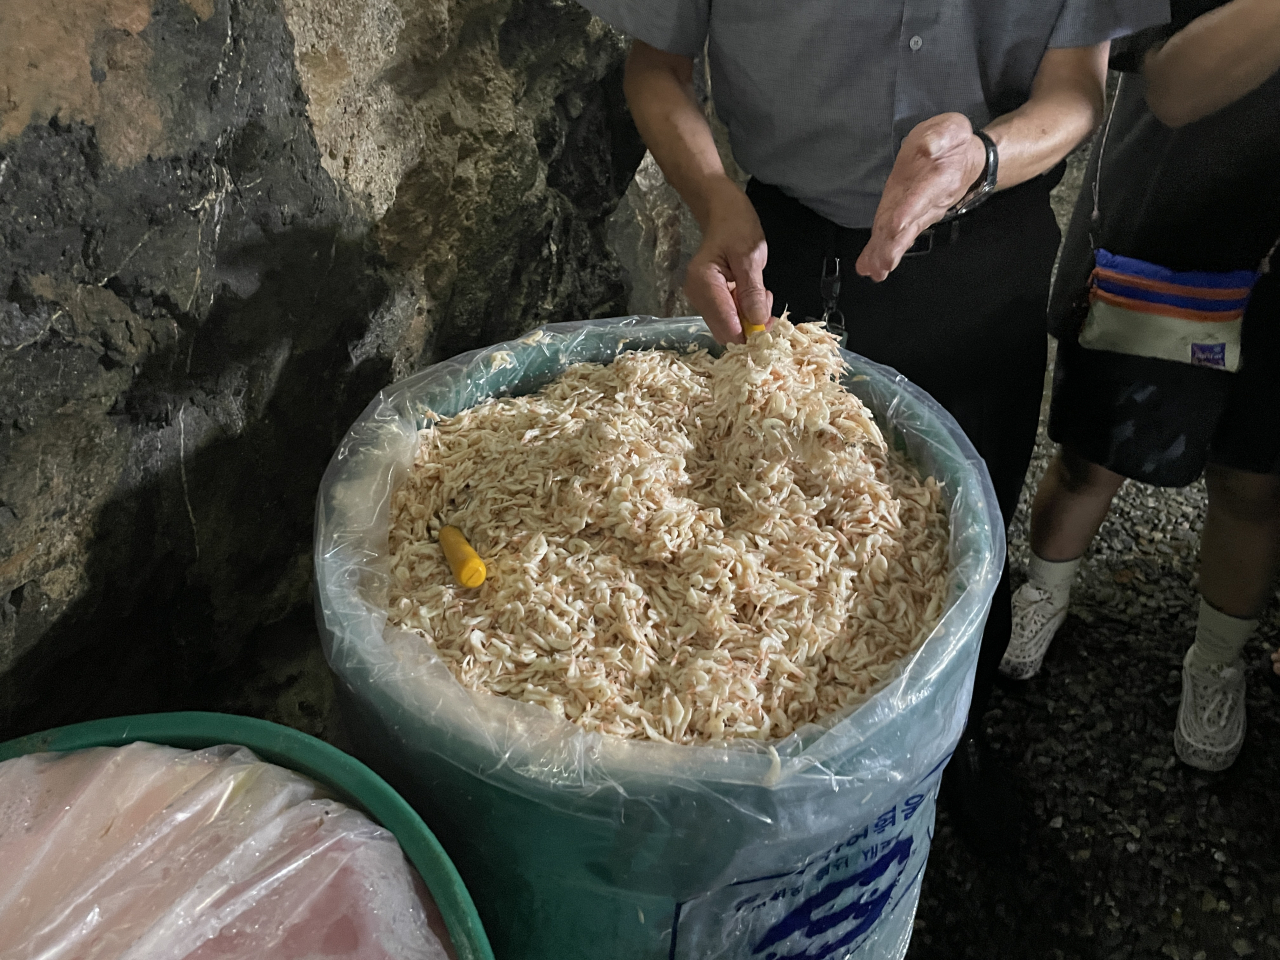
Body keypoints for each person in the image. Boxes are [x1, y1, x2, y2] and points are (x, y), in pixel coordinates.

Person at [573, 0, 1168, 851]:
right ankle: (785, 781)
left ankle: (953, 744)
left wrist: (986, 157)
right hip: (785, 247)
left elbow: (1075, 89)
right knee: (778, 535)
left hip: (984, 239)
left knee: (971, 531)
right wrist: (714, 199)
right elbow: (656, 65)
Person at [999, 0, 1280, 772]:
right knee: (1095, 451)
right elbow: (1172, 84)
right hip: (1164, 222)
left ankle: (1218, 658)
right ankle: (1045, 594)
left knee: (1253, 482)